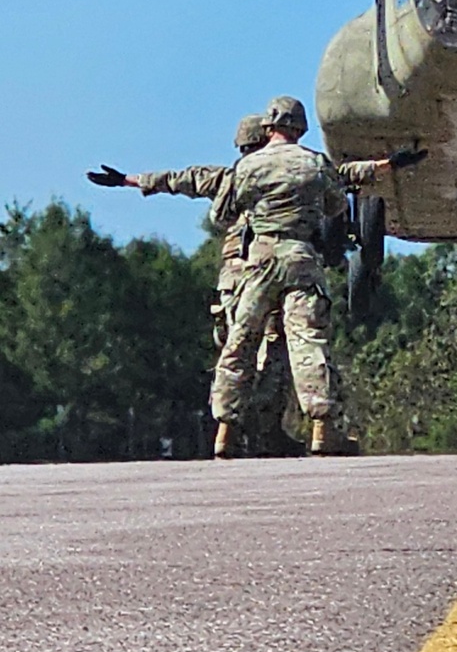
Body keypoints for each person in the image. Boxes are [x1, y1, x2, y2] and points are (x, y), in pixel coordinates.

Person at [208, 95, 426, 457]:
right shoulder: (314, 163)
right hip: (300, 258)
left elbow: (221, 214)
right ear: (300, 128)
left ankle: (225, 432)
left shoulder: (246, 167)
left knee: (241, 341)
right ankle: (322, 430)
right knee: (308, 342)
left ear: (268, 126)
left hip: (258, 261)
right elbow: (337, 206)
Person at [86, 115, 300, 456]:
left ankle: (230, 430)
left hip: (234, 281)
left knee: (235, 352)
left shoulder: (225, 179)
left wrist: (130, 180)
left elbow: (179, 179)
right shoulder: (287, 178)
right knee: (272, 353)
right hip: (269, 271)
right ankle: (265, 431)